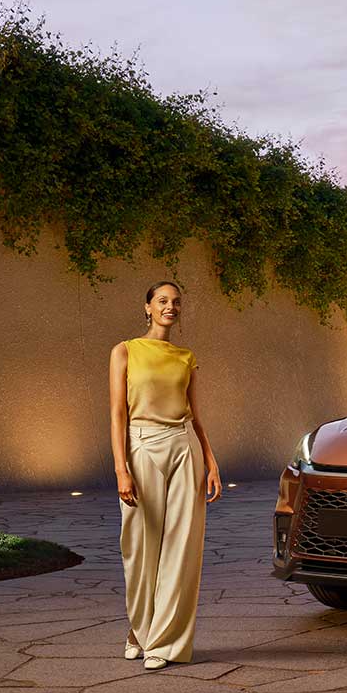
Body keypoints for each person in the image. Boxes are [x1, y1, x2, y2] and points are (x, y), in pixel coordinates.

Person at [109, 280, 221, 670]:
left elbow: (196, 414)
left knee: (181, 549)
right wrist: (121, 468)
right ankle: (140, 631)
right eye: (162, 301)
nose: (169, 307)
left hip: (183, 446)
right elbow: (117, 415)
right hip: (141, 448)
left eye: (175, 302)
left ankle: (165, 643)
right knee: (139, 548)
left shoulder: (185, 356)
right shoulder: (124, 351)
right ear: (147, 307)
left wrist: (211, 461)